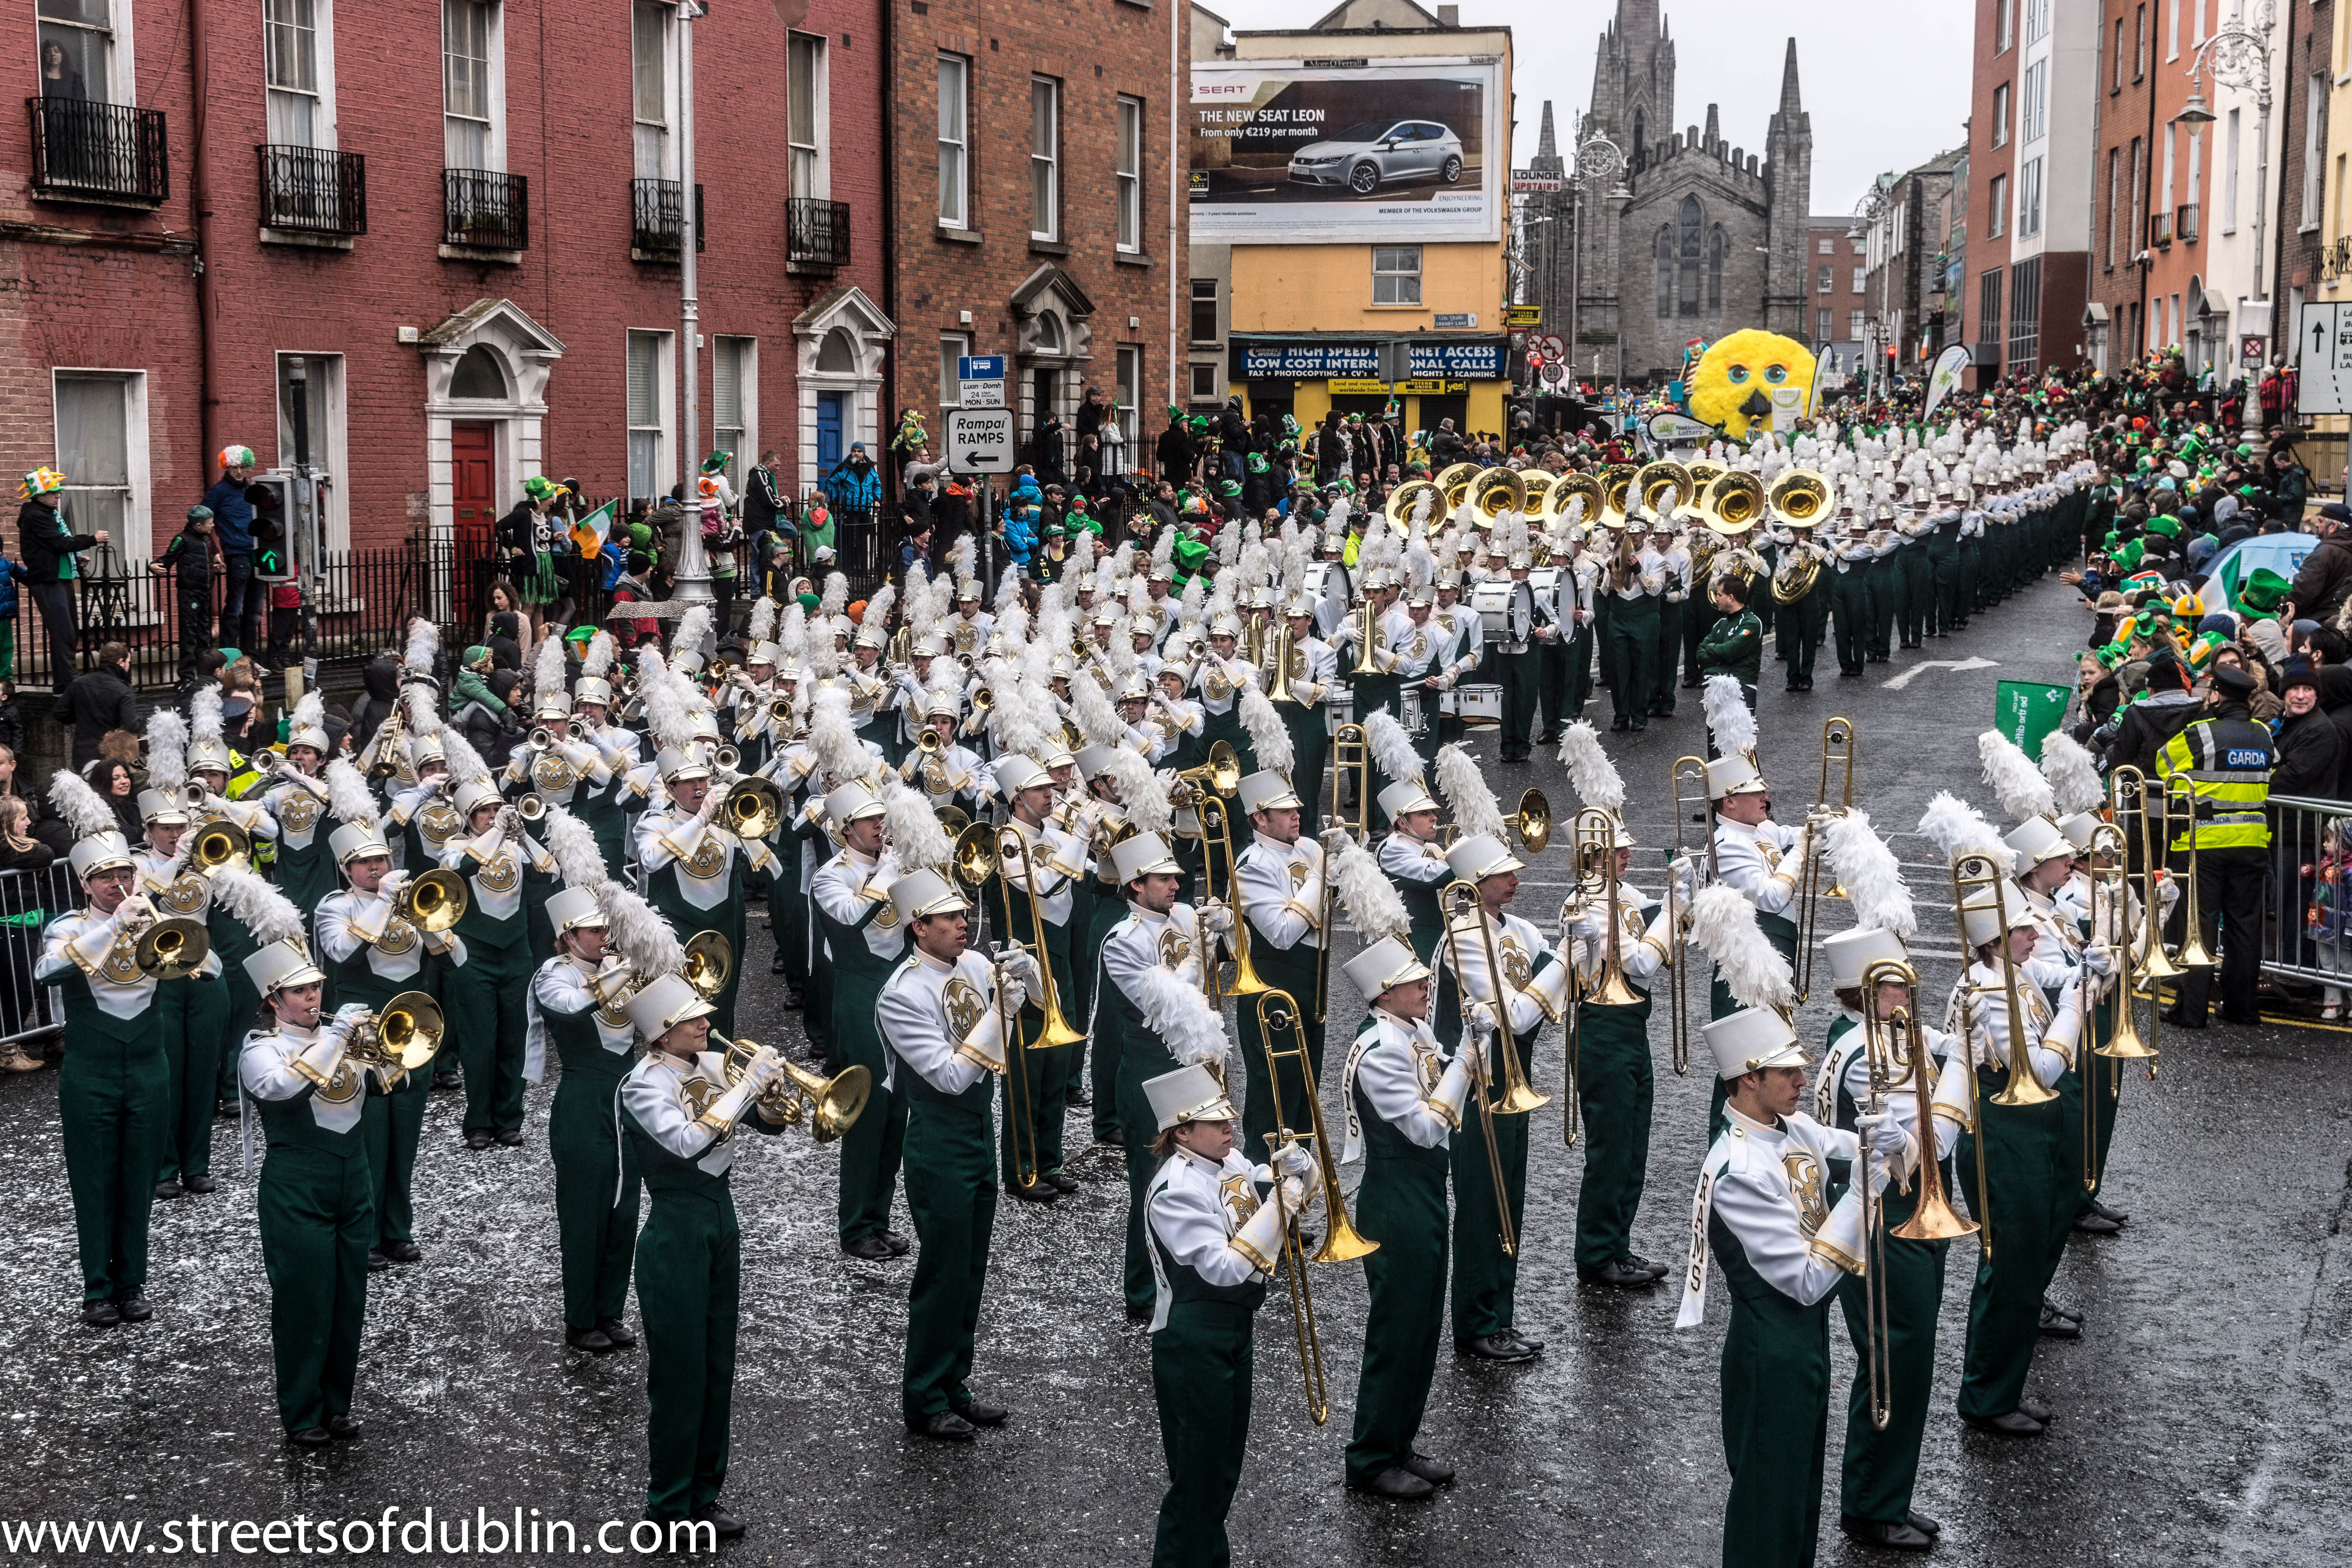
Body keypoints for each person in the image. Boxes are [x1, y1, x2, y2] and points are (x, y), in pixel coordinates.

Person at [1673, 1004, 1892, 1568]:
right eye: (1789, 1071)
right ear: (1750, 1079)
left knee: (1799, 1498)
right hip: (1770, 1348)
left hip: (1801, 1343)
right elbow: (1807, 1281)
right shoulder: (1740, 1172)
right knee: (1767, 1510)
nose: (1803, 1080)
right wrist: (1863, 1191)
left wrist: (1883, 1135)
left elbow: (1839, 1142)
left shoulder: (1785, 1126)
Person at [1814, 926, 1975, 1553]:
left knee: (1911, 1355)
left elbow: (1931, 1047)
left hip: (1906, 1204)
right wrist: (1962, 1064)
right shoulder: (1863, 1054)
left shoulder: (1886, 1035)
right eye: (1895, 985)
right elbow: (1935, 1144)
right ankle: (1872, 1506)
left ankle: (1890, 1494)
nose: (1909, 992)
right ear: (1867, 994)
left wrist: (1954, 1038)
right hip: (1885, 1211)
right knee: (1895, 1356)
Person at [619, 972, 791, 1537]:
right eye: (692, 1018)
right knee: (679, 1375)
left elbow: (771, 1126)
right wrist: (745, 1091)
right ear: (662, 1032)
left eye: (703, 1013)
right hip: (675, 1230)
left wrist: (772, 1093)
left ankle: (704, 1494)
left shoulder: (715, 1065)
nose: (707, 1023)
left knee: (717, 1365)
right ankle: (669, 1504)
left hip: (722, 1218)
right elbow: (687, 1143)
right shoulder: (642, 1085)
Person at [873, 867, 1035, 1439]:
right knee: (943, 1273)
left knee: (970, 1268)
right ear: (919, 927)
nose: (965, 924)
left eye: (964, 914)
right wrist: (1001, 1014)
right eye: (950, 918)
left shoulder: (970, 965)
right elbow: (949, 1076)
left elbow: (1026, 1021)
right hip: (938, 1137)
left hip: (977, 1130)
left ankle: (953, 1385)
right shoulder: (902, 994)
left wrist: (1029, 977)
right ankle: (923, 1398)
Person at [1141, 1061, 1312, 1568]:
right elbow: (1224, 1268)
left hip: (1236, 1326)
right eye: (1216, 1122)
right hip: (1194, 1335)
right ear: (1182, 1132)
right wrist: (1281, 1204)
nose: (1229, 1127)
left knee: (1221, 1473)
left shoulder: (1228, 1159)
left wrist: (1301, 1168)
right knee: (1197, 1481)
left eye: (1228, 1118)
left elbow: (1286, 1184)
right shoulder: (1175, 1191)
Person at [241, 938, 407, 1445]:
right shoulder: (261, 1049)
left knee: (348, 1299)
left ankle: (336, 1406)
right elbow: (283, 1090)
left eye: (315, 986)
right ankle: (301, 1413)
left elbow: (393, 1084)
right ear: (273, 1000)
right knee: (305, 1301)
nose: (312, 996)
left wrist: (379, 1045)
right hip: (297, 1183)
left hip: (354, 1178)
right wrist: (336, 1039)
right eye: (299, 991)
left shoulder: (341, 1038)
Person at [1339, 934, 1477, 1499]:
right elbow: (1425, 1129)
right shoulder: (1380, 1050)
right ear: (1383, 994)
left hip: (1421, 1190)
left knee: (1422, 1328)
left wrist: (1470, 1056)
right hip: (1396, 1196)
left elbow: (1445, 1102)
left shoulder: (1411, 1033)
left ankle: (1399, 1443)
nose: (1426, 986)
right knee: (1397, 1332)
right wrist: (1466, 1060)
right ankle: (1371, 1457)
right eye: (1412, 982)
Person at [1949, 884, 2087, 1438]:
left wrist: (2087, 971)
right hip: (2004, 1138)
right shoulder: (1988, 989)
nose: (2037, 933)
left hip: (2024, 1133)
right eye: (2025, 928)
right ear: (1995, 940)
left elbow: (2052, 979)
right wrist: (2076, 1007)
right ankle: (1986, 1396)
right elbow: (2040, 1070)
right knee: (2009, 1268)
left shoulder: (2009, 970)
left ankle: (2002, 1386)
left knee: (2026, 1262)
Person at [1431, 831, 1570, 1361]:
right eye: (1502, 874)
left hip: (1513, 1074)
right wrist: (1567, 960)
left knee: (1509, 1199)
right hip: (1475, 1083)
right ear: (1474, 883)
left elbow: (1558, 985)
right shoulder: (1462, 936)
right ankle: (1476, 1322)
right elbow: (1515, 1016)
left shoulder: (1519, 927)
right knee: (1482, 1204)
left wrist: (1581, 944)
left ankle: (1499, 1316)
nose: (1516, 879)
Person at [315, 821, 467, 1270]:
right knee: (368, 1136)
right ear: (347, 870)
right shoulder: (336, 906)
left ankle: (397, 1230)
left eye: (380, 860)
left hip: (414, 1025)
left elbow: (458, 961)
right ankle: (364, 1234)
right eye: (364, 862)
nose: (375, 868)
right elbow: (341, 953)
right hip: (361, 1028)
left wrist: (429, 921)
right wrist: (383, 903)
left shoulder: (412, 900)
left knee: (405, 1135)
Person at [35, 803, 165, 1325]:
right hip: (91, 1072)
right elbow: (47, 971)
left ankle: (132, 1283)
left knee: (140, 1178)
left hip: (149, 1068)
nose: (118, 884)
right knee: (93, 1181)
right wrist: (112, 928)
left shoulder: (154, 918)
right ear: (85, 885)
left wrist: (156, 922)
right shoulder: (69, 926)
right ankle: (97, 1288)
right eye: (106, 877)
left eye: (125, 874)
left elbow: (209, 966)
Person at [1094, 832, 1227, 1320]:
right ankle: (1143, 1292)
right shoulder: (1121, 941)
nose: (1176, 885)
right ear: (1136, 884)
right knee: (1152, 1184)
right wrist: (1199, 951)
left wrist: (1228, 930)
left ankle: (1193, 1272)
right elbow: (1163, 1004)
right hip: (1150, 1070)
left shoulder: (1187, 916)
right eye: (1165, 878)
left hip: (1196, 1063)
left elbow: (1229, 964)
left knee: (1202, 1170)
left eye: (1176, 877)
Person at [1559, 804, 1676, 1288]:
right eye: (1617, 849)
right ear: (1593, 854)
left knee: (1633, 1146)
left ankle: (1617, 1246)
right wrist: (1674, 909)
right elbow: (1642, 964)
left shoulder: (1624, 893)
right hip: (1603, 1029)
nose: (1628, 853)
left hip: (1632, 1025)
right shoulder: (1585, 902)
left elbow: (1660, 925)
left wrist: (1685, 892)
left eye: (1626, 846)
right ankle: (1596, 1252)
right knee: (1610, 1150)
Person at [526, 885, 640, 1353]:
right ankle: (580, 1319)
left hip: (628, 1099)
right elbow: (571, 1008)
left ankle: (610, 1310)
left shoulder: (618, 966)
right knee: (584, 1214)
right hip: (582, 1100)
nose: (605, 937)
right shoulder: (552, 975)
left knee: (623, 1210)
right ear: (568, 936)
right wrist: (626, 971)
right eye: (594, 930)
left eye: (607, 928)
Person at [809, 780, 912, 1259]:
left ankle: (879, 1217)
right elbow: (851, 916)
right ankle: (854, 1225)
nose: (880, 826)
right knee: (868, 1111)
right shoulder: (829, 876)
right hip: (859, 992)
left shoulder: (897, 863)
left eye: (881, 818)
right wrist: (890, 870)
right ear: (846, 828)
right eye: (870, 820)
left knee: (897, 1112)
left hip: (902, 988)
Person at [436, 779, 558, 1149]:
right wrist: (497, 834)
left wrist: (524, 837)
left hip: (516, 951)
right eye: (483, 812)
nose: (491, 817)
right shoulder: (454, 847)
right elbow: (459, 871)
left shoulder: (513, 846)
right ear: (468, 817)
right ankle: (478, 1122)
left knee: (515, 1038)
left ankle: (509, 1119)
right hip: (475, 954)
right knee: (479, 1042)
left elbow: (550, 871)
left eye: (495, 810)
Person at [2154, 664, 2276, 1027]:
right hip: (2252, 841)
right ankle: (2242, 1009)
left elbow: (2164, 765)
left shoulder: (2202, 733)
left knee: (2199, 927)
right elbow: (2272, 770)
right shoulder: (2264, 734)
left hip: (2204, 842)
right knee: (2244, 927)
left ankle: (2191, 1011)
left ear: (2217, 695)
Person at [1232, 770, 1333, 1158]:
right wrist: (1322, 878)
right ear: (1260, 818)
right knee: (1276, 1091)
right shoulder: (1252, 865)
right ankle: (1264, 1176)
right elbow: (1282, 933)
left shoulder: (1308, 848)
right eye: (1286, 810)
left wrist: (1351, 860)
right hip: (1275, 983)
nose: (1297, 815)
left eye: (1297, 808)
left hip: (1313, 977)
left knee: (1307, 1089)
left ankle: (1300, 1175)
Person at [18, 468, 105, 694]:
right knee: (63, 633)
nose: (58, 495)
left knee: (71, 631)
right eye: (53, 492)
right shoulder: (35, 516)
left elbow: (56, 547)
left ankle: (68, 682)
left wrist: (75, 559)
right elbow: (59, 543)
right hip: (48, 581)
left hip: (61, 578)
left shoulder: (49, 514)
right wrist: (92, 540)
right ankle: (65, 686)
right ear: (39, 495)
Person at [151, 506, 219, 688]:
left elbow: (211, 552)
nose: (213, 526)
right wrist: (153, 566)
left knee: (204, 635)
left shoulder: (207, 538)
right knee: (189, 635)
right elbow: (167, 559)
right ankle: (187, 677)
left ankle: (206, 674)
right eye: (210, 523)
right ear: (198, 525)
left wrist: (216, 559)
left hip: (205, 592)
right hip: (189, 594)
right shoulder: (181, 539)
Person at [56, 641, 138, 771]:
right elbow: (131, 725)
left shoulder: (79, 683)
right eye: (128, 662)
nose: (128, 666)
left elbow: (60, 713)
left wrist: (82, 718)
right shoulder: (124, 690)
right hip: (111, 755)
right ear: (121, 662)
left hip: (83, 753)